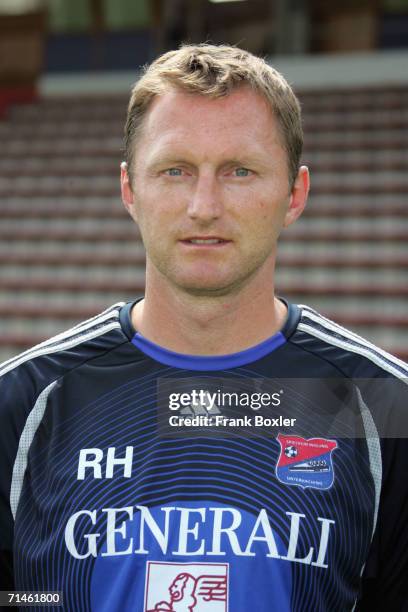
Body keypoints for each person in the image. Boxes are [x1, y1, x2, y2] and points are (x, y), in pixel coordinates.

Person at [0, 44, 407, 612]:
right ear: (129, 190)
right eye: (175, 171)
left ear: (295, 194)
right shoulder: (21, 405)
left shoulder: (386, 406)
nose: (204, 205)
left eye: (240, 171)